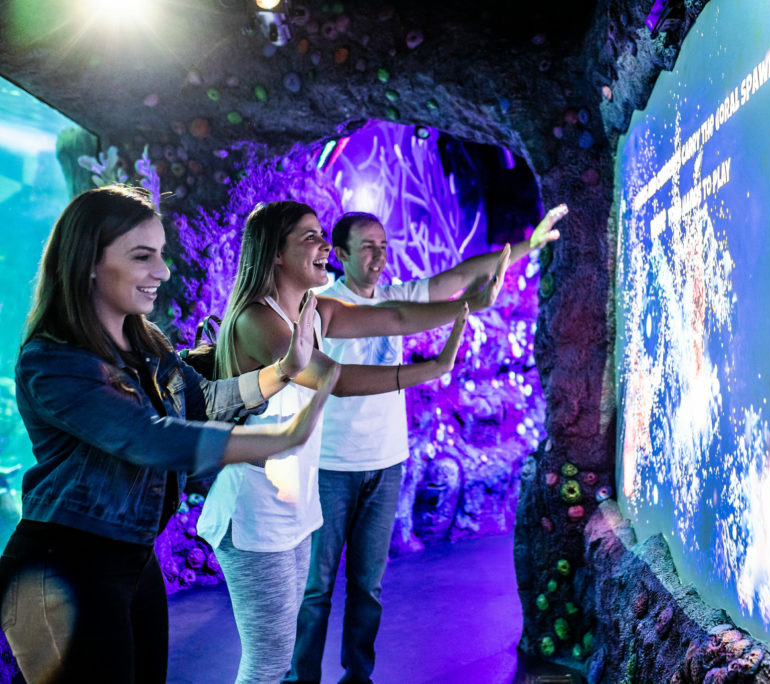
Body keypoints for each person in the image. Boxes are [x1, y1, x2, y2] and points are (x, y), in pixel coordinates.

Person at [0, 185, 335, 683]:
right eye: (142, 257)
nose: (162, 271)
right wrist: (272, 441)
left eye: (160, 254)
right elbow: (147, 437)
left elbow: (206, 401)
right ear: (88, 262)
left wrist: (285, 369)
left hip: (133, 560)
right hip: (62, 569)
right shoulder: (54, 362)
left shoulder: (147, 345)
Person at [197, 201, 509, 684]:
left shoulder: (316, 310)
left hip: (293, 509)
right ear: (275, 255)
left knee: (278, 656)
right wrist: (431, 369)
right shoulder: (256, 321)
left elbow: (396, 318)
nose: (324, 246)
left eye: (324, 235)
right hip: (253, 514)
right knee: (267, 662)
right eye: (309, 238)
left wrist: (467, 307)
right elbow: (333, 379)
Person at [287, 203, 568, 684]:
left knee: (368, 586)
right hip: (329, 464)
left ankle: (358, 677)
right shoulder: (323, 305)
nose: (379, 257)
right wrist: (467, 309)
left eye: (384, 247)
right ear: (340, 253)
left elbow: (459, 275)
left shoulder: (399, 294)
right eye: (368, 248)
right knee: (316, 587)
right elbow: (397, 319)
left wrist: (529, 245)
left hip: (386, 462)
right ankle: (301, 678)